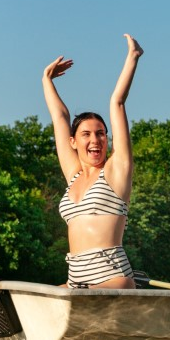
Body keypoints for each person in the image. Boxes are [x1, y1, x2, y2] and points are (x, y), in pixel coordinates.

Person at [42, 34, 145, 289]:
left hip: (112, 281)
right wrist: (46, 80)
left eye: (101, 133)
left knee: (77, 303)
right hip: (75, 282)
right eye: (86, 134)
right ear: (73, 142)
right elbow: (59, 117)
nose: (95, 140)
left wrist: (133, 57)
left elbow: (117, 103)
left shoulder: (115, 172)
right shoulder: (74, 175)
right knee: (40, 302)